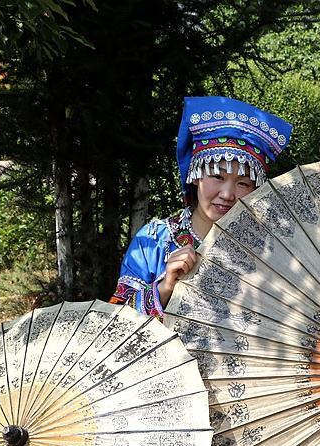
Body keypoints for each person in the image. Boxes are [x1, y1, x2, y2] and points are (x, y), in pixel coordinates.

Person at [110, 96, 292, 318]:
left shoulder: (271, 251)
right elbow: (115, 321)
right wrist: (165, 288)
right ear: (196, 175)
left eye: (243, 183)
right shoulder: (153, 241)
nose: (227, 194)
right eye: (218, 177)